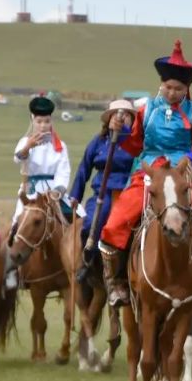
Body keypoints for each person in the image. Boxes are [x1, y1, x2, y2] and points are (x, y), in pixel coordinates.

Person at [97, 40, 192, 306]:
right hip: (149, 171)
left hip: (184, 174)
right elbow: (135, 144)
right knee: (117, 220)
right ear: (161, 85)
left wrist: (187, 160)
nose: (172, 93)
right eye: (168, 87)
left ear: (187, 88)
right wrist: (121, 130)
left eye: (179, 88)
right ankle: (117, 282)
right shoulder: (146, 110)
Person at [4, 95, 72, 290]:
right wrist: (28, 147)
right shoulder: (25, 141)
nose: (43, 125)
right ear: (33, 120)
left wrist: (58, 190)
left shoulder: (60, 146)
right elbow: (18, 158)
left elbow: (63, 171)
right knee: (18, 223)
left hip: (52, 192)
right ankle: (12, 271)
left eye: (47, 121)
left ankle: (75, 264)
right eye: (39, 121)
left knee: (73, 221)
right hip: (31, 192)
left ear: (52, 122)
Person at [70, 100, 137, 283]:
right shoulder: (99, 142)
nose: (120, 118)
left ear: (132, 120)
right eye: (116, 114)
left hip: (128, 192)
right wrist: (75, 195)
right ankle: (88, 261)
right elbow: (84, 168)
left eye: (125, 115)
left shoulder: (136, 141)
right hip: (103, 192)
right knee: (92, 222)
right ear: (108, 119)